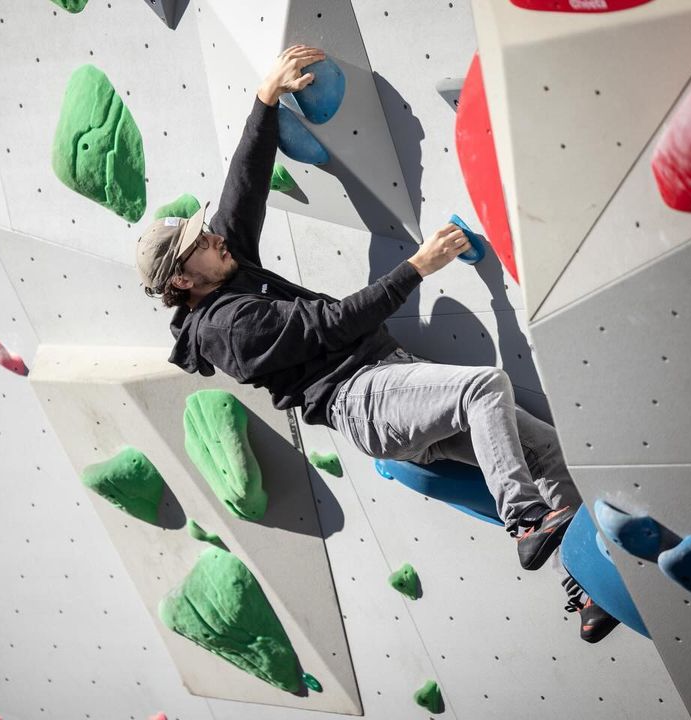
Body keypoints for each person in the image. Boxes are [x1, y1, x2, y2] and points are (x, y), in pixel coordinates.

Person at [135, 45, 616, 641]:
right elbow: (330, 327)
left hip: (391, 381)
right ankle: (525, 521)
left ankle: (589, 589)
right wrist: (417, 267)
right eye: (200, 242)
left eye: (205, 231)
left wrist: (267, 97)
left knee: (545, 452)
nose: (213, 235)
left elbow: (245, 186)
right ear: (183, 280)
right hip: (363, 399)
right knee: (483, 388)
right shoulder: (225, 329)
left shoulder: (225, 266)